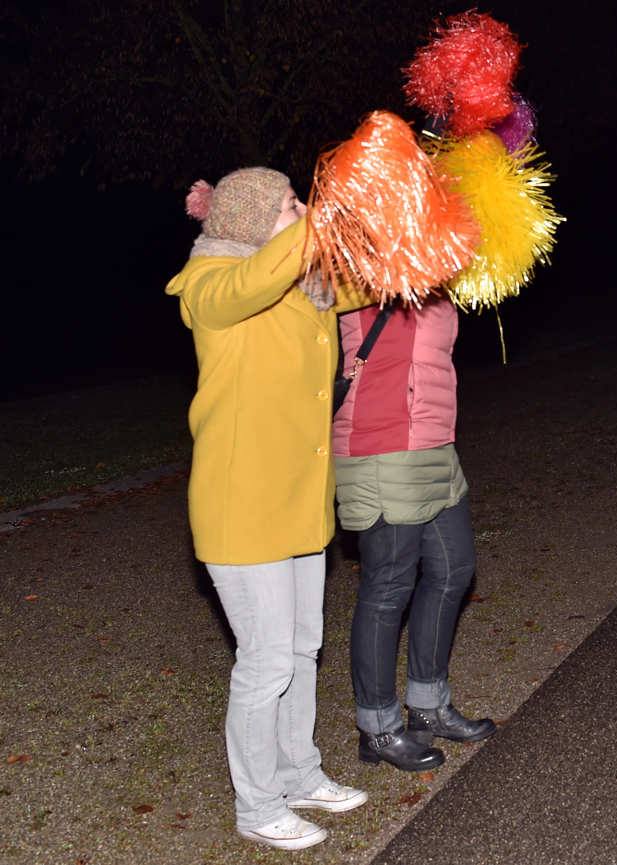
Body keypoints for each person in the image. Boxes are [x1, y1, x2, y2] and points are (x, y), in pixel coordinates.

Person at [166, 168, 374, 850]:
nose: (304, 210)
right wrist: (322, 222)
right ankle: (256, 805)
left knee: (301, 648)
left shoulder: (308, 284)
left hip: (298, 504)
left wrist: (429, 228)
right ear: (256, 218)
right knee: (265, 661)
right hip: (241, 506)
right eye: (290, 202)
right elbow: (254, 281)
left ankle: (299, 772)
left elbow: (375, 275)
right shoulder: (209, 285)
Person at [331, 293, 497, 772]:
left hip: (434, 440)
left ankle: (428, 703)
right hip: (381, 441)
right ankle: (377, 727)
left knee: (454, 569)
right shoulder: (367, 260)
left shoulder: (440, 269)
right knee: (388, 586)